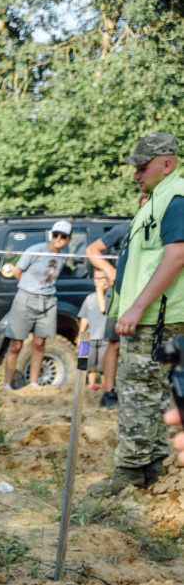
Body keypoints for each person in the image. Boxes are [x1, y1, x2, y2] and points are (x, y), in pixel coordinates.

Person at [90, 133, 184, 497]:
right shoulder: (158, 199)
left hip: (156, 319)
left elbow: (176, 256)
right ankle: (152, 466)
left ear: (167, 163)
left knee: (136, 393)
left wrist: (138, 305)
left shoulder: (174, 199)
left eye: (142, 168)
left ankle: (130, 471)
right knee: (153, 394)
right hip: (153, 317)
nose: (135, 175)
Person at [0, 220, 72, 388]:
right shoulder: (36, 250)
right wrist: (30, 287)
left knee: (40, 343)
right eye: (56, 235)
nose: (58, 239)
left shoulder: (63, 256)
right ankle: (7, 384)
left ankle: (33, 383)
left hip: (48, 301)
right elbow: (17, 271)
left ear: (68, 239)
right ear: (51, 235)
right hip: (26, 298)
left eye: (63, 236)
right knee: (16, 344)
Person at [86, 228, 123, 408]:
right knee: (113, 344)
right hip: (119, 295)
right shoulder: (125, 228)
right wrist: (109, 270)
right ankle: (109, 391)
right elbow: (92, 249)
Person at [77, 267, 117, 406]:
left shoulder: (111, 296)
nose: (99, 282)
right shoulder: (89, 298)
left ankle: (105, 384)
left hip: (105, 335)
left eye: (102, 278)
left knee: (103, 361)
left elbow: (103, 308)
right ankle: (91, 384)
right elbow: (84, 318)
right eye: (96, 279)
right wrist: (80, 335)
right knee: (88, 361)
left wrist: (100, 291)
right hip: (89, 335)